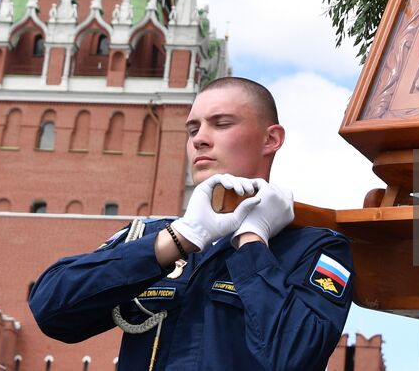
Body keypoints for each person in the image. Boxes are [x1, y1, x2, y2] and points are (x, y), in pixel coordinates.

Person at [28, 77, 354, 370]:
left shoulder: (316, 248)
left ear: (271, 139)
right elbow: (51, 309)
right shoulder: (153, 236)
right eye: (193, 129)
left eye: (221, 124)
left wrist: (253, 240)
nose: (200, 139)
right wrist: (181, 237)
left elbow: (296, 356)